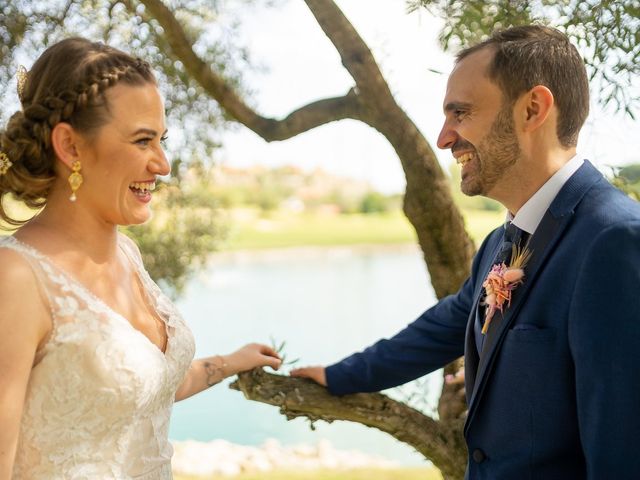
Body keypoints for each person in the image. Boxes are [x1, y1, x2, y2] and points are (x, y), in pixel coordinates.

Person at [292, 25, 640, 478]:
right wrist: (341, 375)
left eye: (460, 112)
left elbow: (623, 456)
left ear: (532, 109)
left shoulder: (615, 243)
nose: (444, 137)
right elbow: (444, 327)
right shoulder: (503, 242)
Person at [0, 37, 282, 479]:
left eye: (162, 140)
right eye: (143, 140)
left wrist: (228, 362)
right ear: (70, 146)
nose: (163, 164)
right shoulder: (16, 277)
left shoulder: (127, 255)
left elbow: (139, 390)